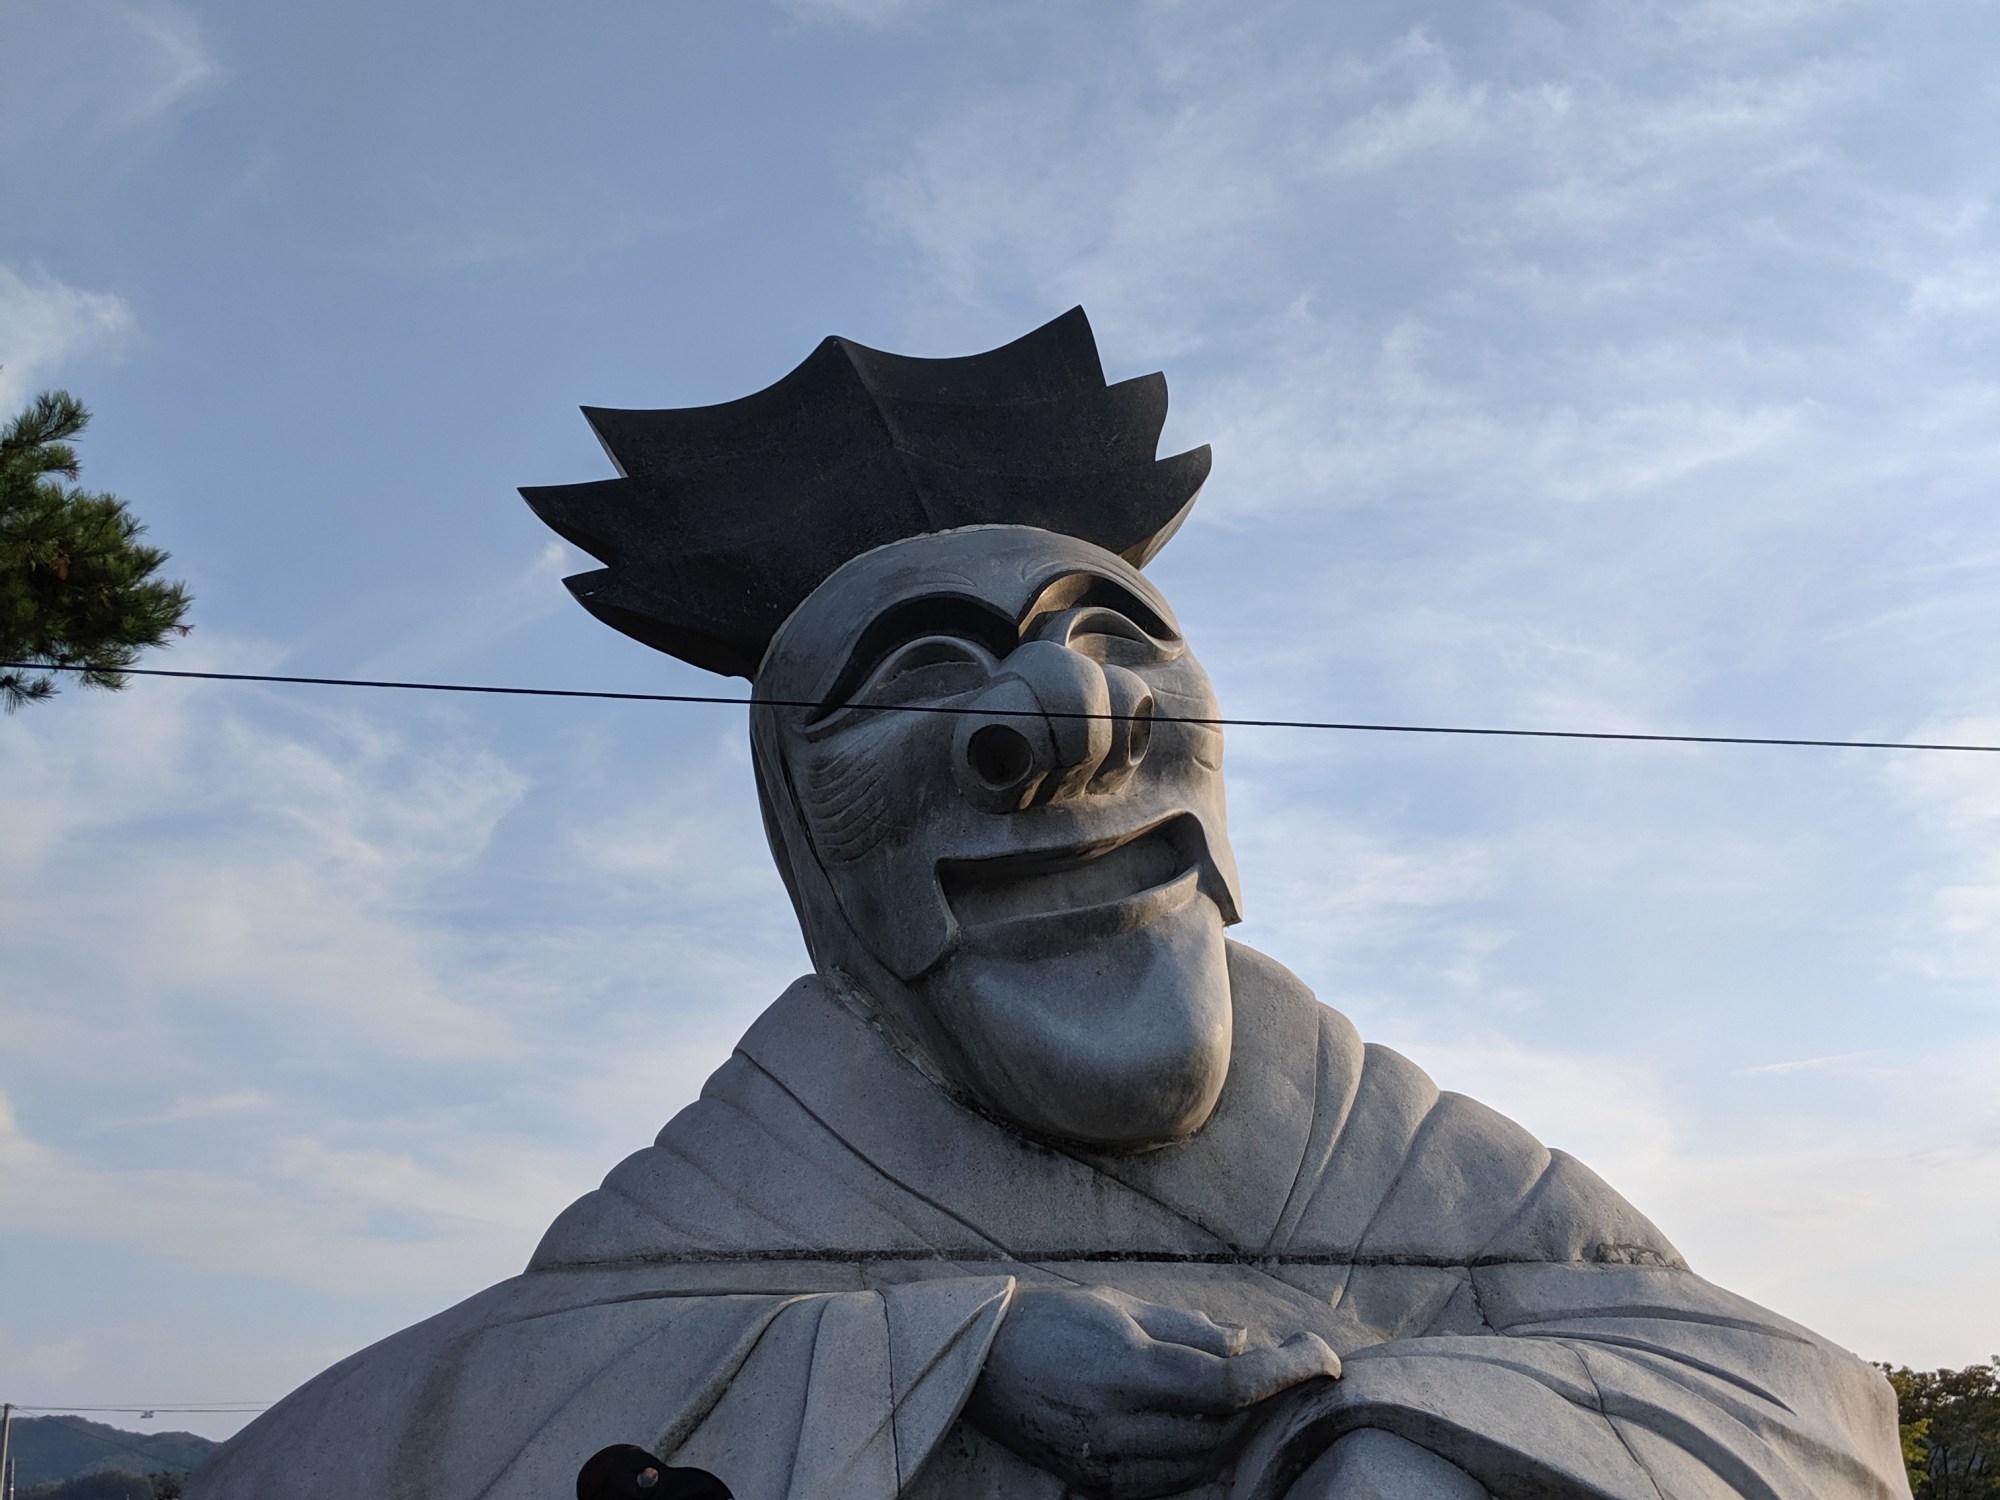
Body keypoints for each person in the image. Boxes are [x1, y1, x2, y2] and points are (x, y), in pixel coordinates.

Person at [189, 311, 1907, 1500]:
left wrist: (1387, 1438)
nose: (1071, 718)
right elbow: (382, 1439)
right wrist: (951, 1360)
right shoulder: (775, 1155)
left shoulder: (1370, 1132)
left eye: (1113, 636)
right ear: (816, 854)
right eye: (918, 673)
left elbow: (1805, 1397)